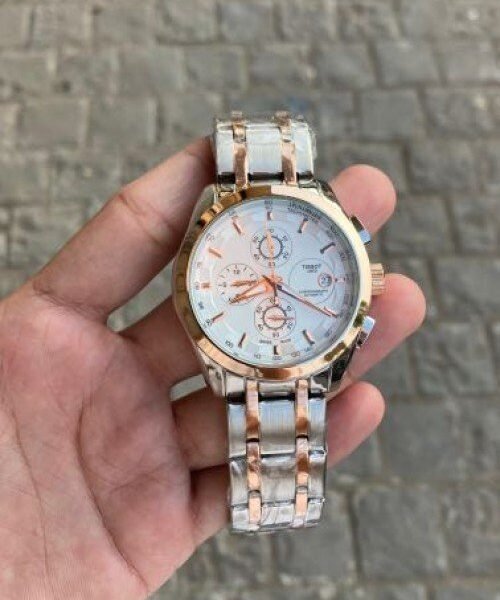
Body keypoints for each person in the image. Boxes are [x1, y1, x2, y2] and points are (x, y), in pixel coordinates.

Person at [0, 138, 425, 598]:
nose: (273, 285)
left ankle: (279, 501)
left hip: (301, 356)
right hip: (247, 356)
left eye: (278, 282)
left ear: (362, 276)